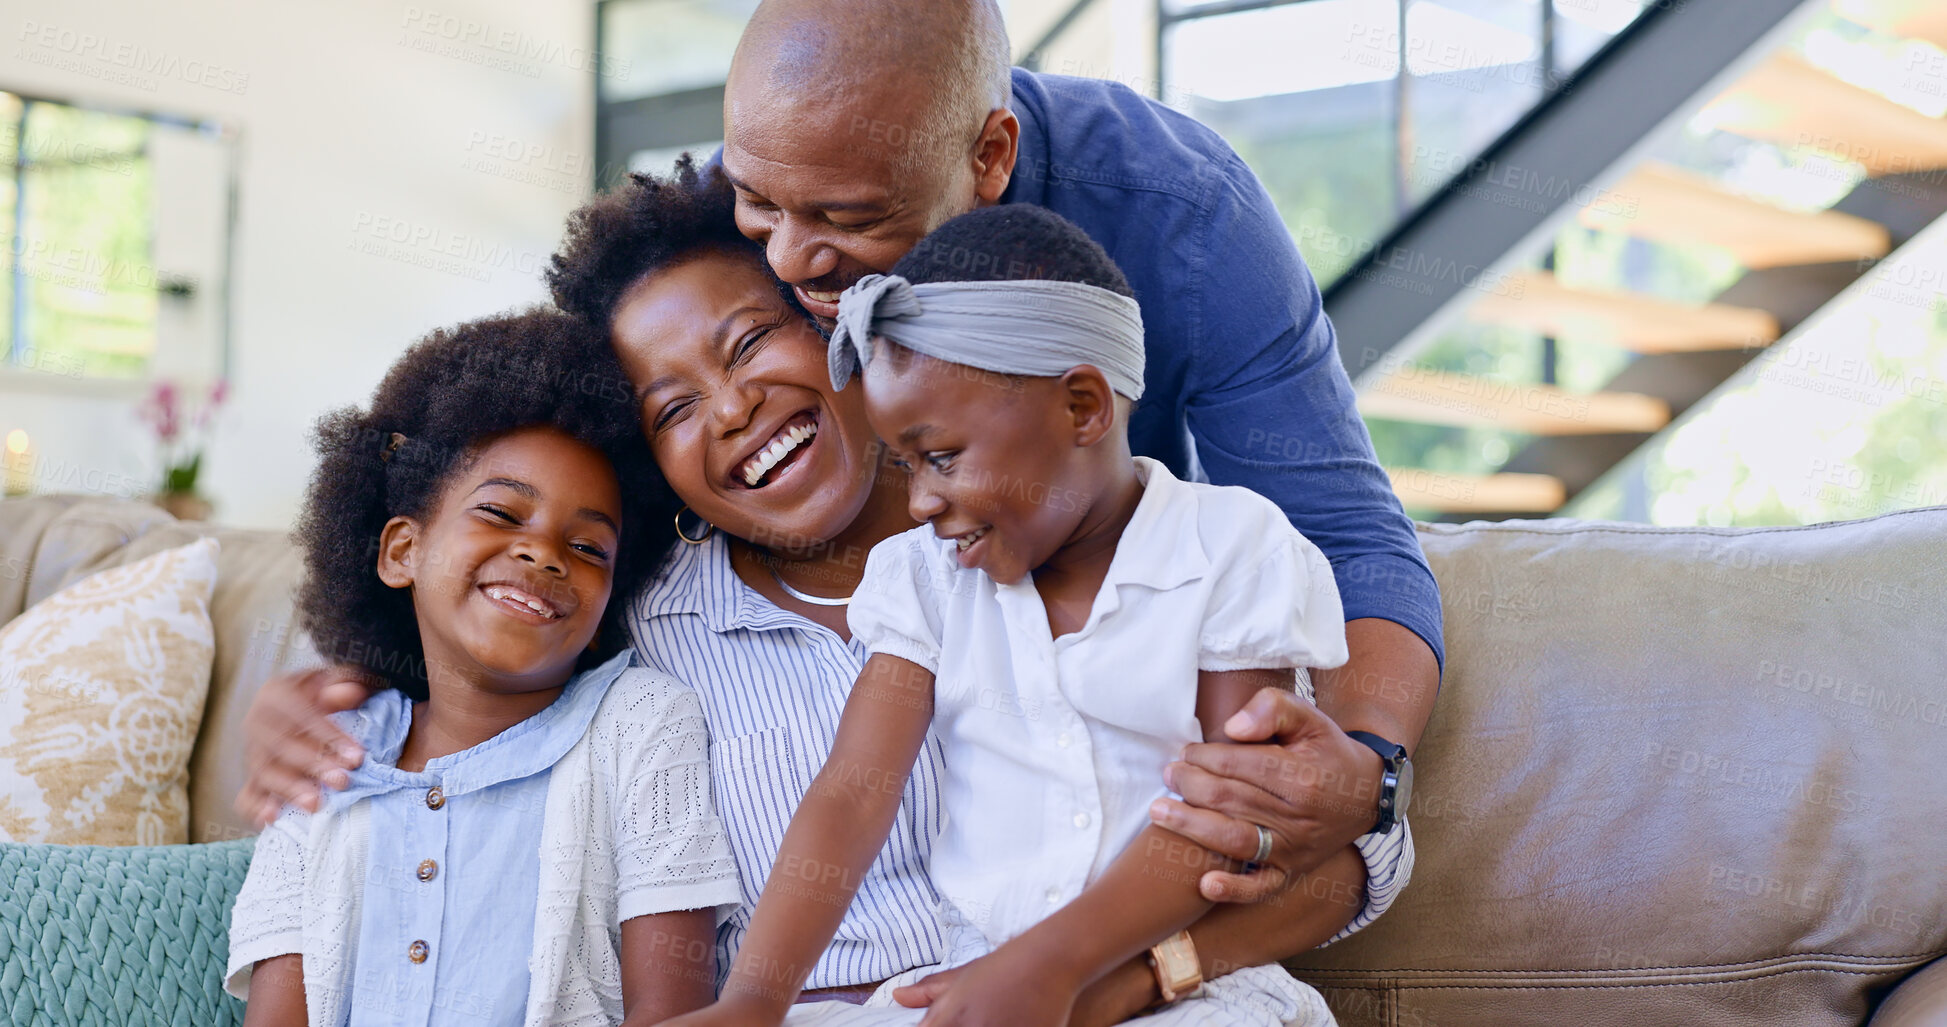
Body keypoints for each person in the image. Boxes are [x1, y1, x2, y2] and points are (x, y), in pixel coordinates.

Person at [237, 163, 1394, 1026]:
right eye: (672, 409)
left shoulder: (1181, 546)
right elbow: (472, 647)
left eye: (749, 344)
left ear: (844, 329)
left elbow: (1339, 852)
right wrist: (314, 695)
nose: (731, 409)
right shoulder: (641, 631)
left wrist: (1130, 974)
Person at [717, 0, 1441, 907]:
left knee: (1346, 867)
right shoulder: (751, 185)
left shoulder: (1186, 219)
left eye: (848, 216)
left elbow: (1344, 537)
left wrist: (1366, 765)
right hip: (860, 702)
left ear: (990, 155)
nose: (788, 257)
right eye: (755, 202)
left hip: (1112, 732)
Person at [675, 204, 1348, 1027]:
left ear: (1081, 408)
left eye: (943, 456)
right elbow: (853, 794)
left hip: (1179, 985)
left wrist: (1049, 966)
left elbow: (1226, 810)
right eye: (905, 463)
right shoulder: (922, 578)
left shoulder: (1230, 545)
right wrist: (755, 996)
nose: (918, 500)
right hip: (972, 980)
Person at [224, 310, 742, 1026]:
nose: (544, 553)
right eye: (501, 512)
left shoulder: (640, 722)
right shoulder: (325, 753)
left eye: (589, 547)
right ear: (402, 550)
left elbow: (675, 1009)